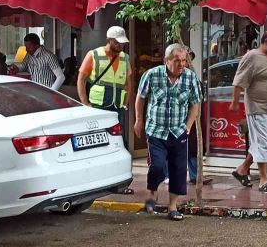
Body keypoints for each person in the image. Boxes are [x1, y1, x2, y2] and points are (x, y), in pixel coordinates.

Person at [135, 44, 202, 221]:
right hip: (156, 130)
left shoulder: (190, 78)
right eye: (177, 61)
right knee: (157, 165)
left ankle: (172, 207)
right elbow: (140, 98)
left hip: (178, 130)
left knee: (178, 169)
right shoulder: (152, 75)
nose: (181, 64)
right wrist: (139, 120)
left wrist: (188, 126)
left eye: (184, 60)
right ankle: (152, 193)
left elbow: (195, 103)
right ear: (166, 61)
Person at [229, 29, 267, 193]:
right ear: (266, 42)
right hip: (258, 107)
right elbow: (238, 81)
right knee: (262, 142)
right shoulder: (252, 57)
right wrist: (235, 102)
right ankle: (263, 179)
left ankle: (242, 170)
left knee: (263, 142)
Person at [77, 26, 132, 140]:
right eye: (118, 43)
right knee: (97, 137)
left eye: (123, 43)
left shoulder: (125, 58)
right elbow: (81, 80)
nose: (121, 45)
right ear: (109, 40)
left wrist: (126, 103)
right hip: (97, 106)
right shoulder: (94, 55)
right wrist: (85, 104)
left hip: (118, 106)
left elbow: (128, 82)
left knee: (116, 138)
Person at [183, 51, 213, 186]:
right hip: (178, 116)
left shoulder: (192, 77)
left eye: (189, 60)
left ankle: (195, 175)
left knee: (193, 146)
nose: (187, 63)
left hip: (191, 116)